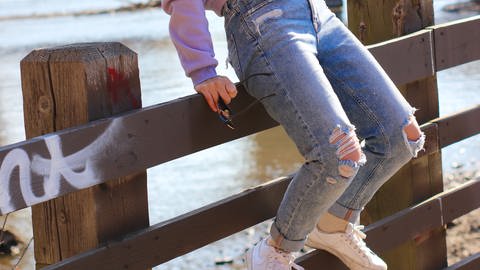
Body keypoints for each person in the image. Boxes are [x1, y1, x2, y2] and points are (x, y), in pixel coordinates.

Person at [161, 0, 426, 269]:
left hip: (319, 14)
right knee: (339, 154)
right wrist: (202, 70)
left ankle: (332, 224)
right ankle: (274, 253)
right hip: (262, 21)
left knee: (402, 135)